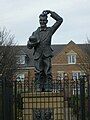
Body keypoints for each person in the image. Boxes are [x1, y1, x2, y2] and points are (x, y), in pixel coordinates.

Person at [27, 10, 63, 91]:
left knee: (48, 72)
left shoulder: (50, 30)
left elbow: (60, 20)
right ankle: (38, 87)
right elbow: (28, 46)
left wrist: (51, 13)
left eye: (44, 20)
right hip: (38, 54)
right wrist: (34, 43)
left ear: (46, 21)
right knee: (38, 72)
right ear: (39, 21)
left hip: (47, 53)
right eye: (41, 20)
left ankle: (48, 87)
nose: (42, 22)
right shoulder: (35, 33)